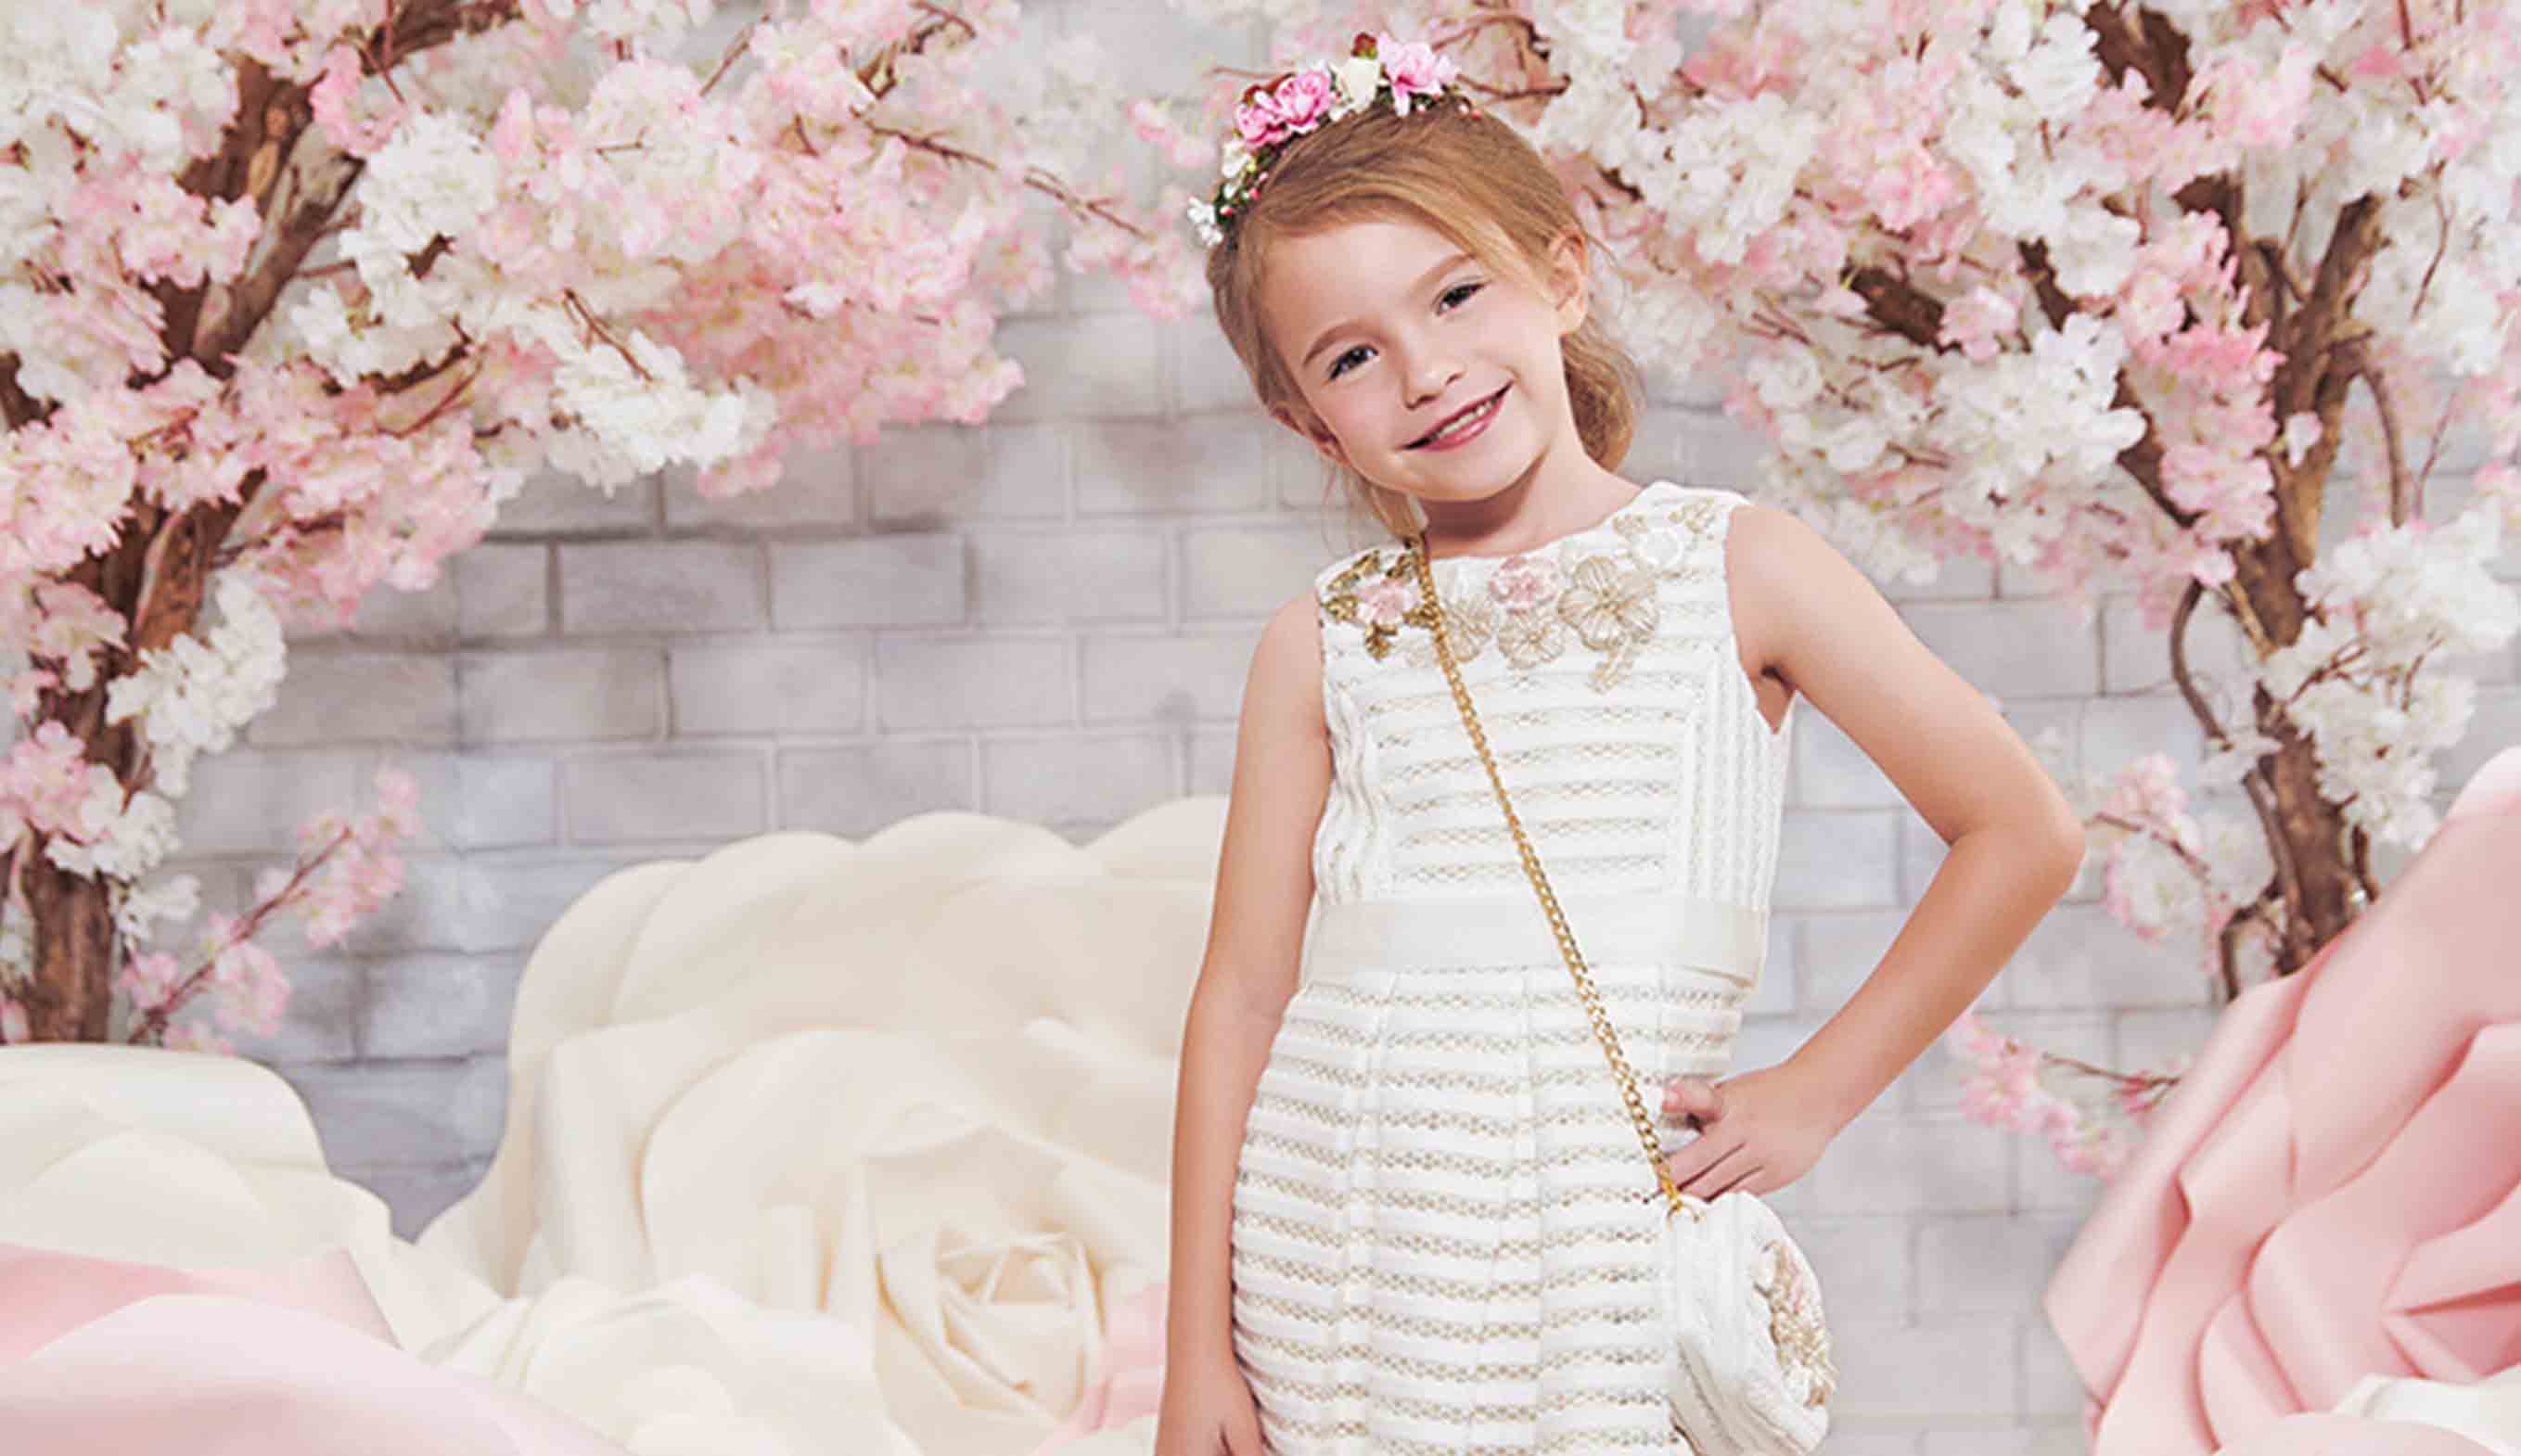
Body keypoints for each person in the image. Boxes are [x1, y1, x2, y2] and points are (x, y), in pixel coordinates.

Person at [1156, 32, 2088, 1456]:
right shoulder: (1324, 639)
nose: (1427, 370)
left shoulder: (1739, 566)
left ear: (1561, 275)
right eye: (1353, 356)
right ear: (1311, 423)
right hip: (1334, 1252)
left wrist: (1818, 1090)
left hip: (1594, 1251)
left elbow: (2022, 829)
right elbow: (1239, 996)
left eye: (1455, 294)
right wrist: (1195, 1352)